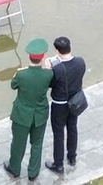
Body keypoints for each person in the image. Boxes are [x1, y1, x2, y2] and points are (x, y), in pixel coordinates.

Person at [3, 38, 54, 181]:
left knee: (18, 143)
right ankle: (33, 172)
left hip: (22, 115)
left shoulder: (21, 74)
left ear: (29, 57)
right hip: (40, 115)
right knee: (37, 144)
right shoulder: (48, 74)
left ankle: (14, 168)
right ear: (43, 57)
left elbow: (13, 85)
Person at [44, 36, 86, 173]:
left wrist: (48, 69)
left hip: (59, 104)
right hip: (75, 102)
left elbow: (50, 84)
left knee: (58, 133)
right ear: (70, 48)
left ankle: (58, 164)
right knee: (72, 128)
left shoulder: (57, 68)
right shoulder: (80, 62)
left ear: (57, 51)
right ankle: (72, 157)